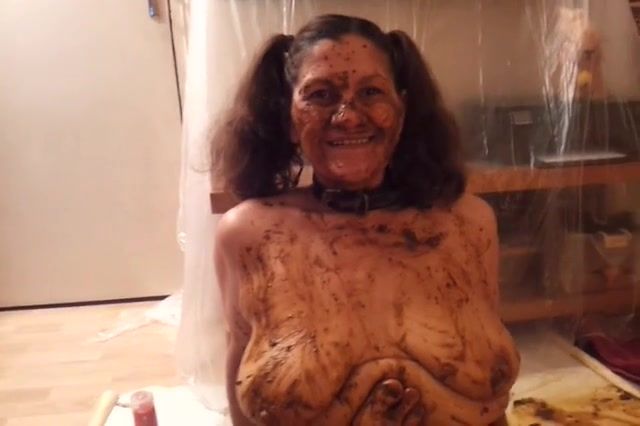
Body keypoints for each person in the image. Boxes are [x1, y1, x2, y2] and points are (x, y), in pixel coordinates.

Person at [211, 14, 519, 426]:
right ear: (288, 117)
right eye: (320, 95)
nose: (349, 116)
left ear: (401, 111)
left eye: (371, 92)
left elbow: (492, 392)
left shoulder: (470, 224)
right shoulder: (250, 234)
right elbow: (239, 354)